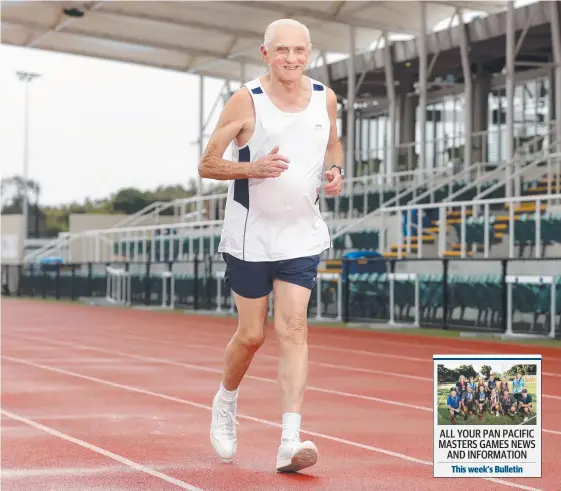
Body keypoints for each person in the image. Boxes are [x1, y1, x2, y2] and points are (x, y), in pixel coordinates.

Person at [198, 18, 344, 473]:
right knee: (252, 335)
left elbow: (333, 145)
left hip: (302, 233)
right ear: (266, 53)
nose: (292, 59)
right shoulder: (247, 99)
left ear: (309, 52)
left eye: (299, 51)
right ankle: (226, 400)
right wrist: (252, 169)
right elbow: (207, 164)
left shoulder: (326, 97)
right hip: (250, 236)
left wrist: (336, 173)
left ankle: (290, 439)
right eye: (282, 51)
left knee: (294, 328)